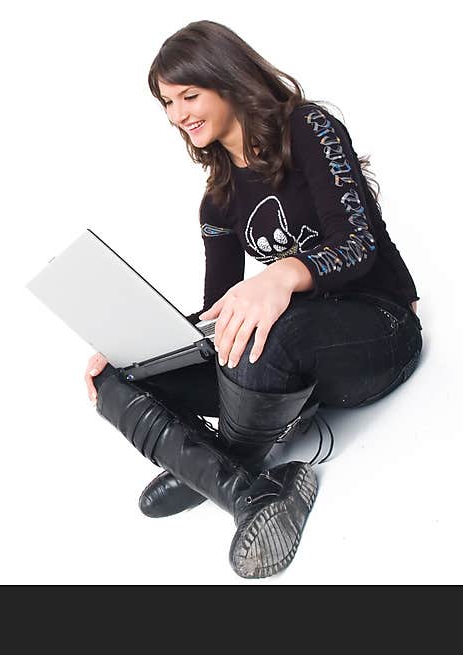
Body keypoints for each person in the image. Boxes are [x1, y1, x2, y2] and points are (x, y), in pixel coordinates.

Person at [84, 20, 423, 578]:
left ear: (228, 79)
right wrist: (137, 349)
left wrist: (282, 275)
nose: (178, 115)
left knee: (268, 338)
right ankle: (252, 496)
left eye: (189, 95)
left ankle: (216, 465)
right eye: (167, 103)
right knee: (115, 380)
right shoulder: (218, 200)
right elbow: (221, 314)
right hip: (297, 356)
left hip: (379, 328)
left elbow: (358, 246)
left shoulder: (310, 129)